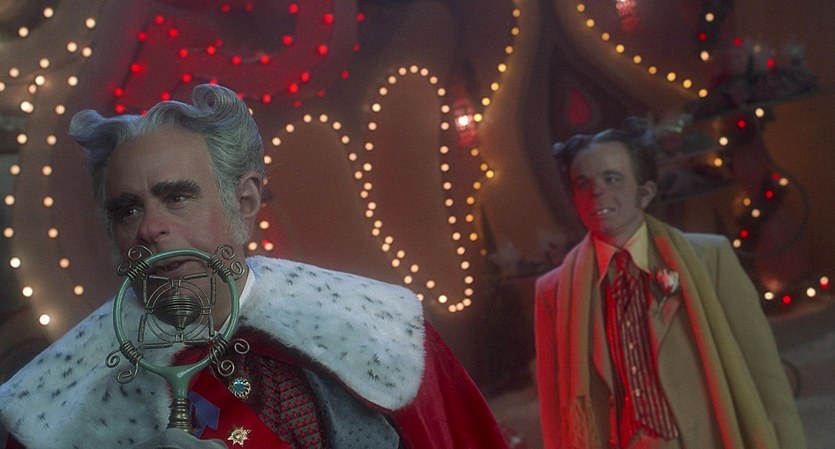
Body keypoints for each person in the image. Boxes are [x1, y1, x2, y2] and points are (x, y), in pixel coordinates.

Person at [0, 83, 509, 449]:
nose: (150, 227)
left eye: (177, 197)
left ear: (243, 203)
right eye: (127, 210)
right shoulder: (53, 411)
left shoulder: (385, 327)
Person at [534, 118, 806, 449]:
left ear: (645, 193)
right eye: (583, 183)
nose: (597, 192)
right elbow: (554, 407)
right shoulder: (554, 291)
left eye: (612, 178)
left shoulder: (708, 258)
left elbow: (764, 373)